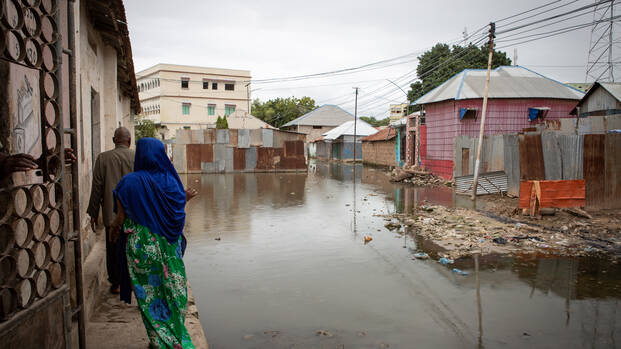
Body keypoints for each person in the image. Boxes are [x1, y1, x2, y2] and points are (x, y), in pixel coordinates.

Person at [111, 137, 197, 348]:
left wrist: (114, 234)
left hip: (141, 249)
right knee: (173, 293)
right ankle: (174, 338)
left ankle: (158, 339)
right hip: (169, 248)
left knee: (149, 297)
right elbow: (176, 218)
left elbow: (119, 219)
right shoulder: (172, 183)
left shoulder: (128, 182)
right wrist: (184, 199)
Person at [87, 127, 134, 294]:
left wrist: (93, 213)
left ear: (114, 140)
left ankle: (116, 283)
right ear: (129, 141)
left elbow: (97, 188)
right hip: (133, 214)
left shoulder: (102, 158)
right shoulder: (137, 158)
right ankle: (132, 282)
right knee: (132, 248)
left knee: (113, 248)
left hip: (111, 214)